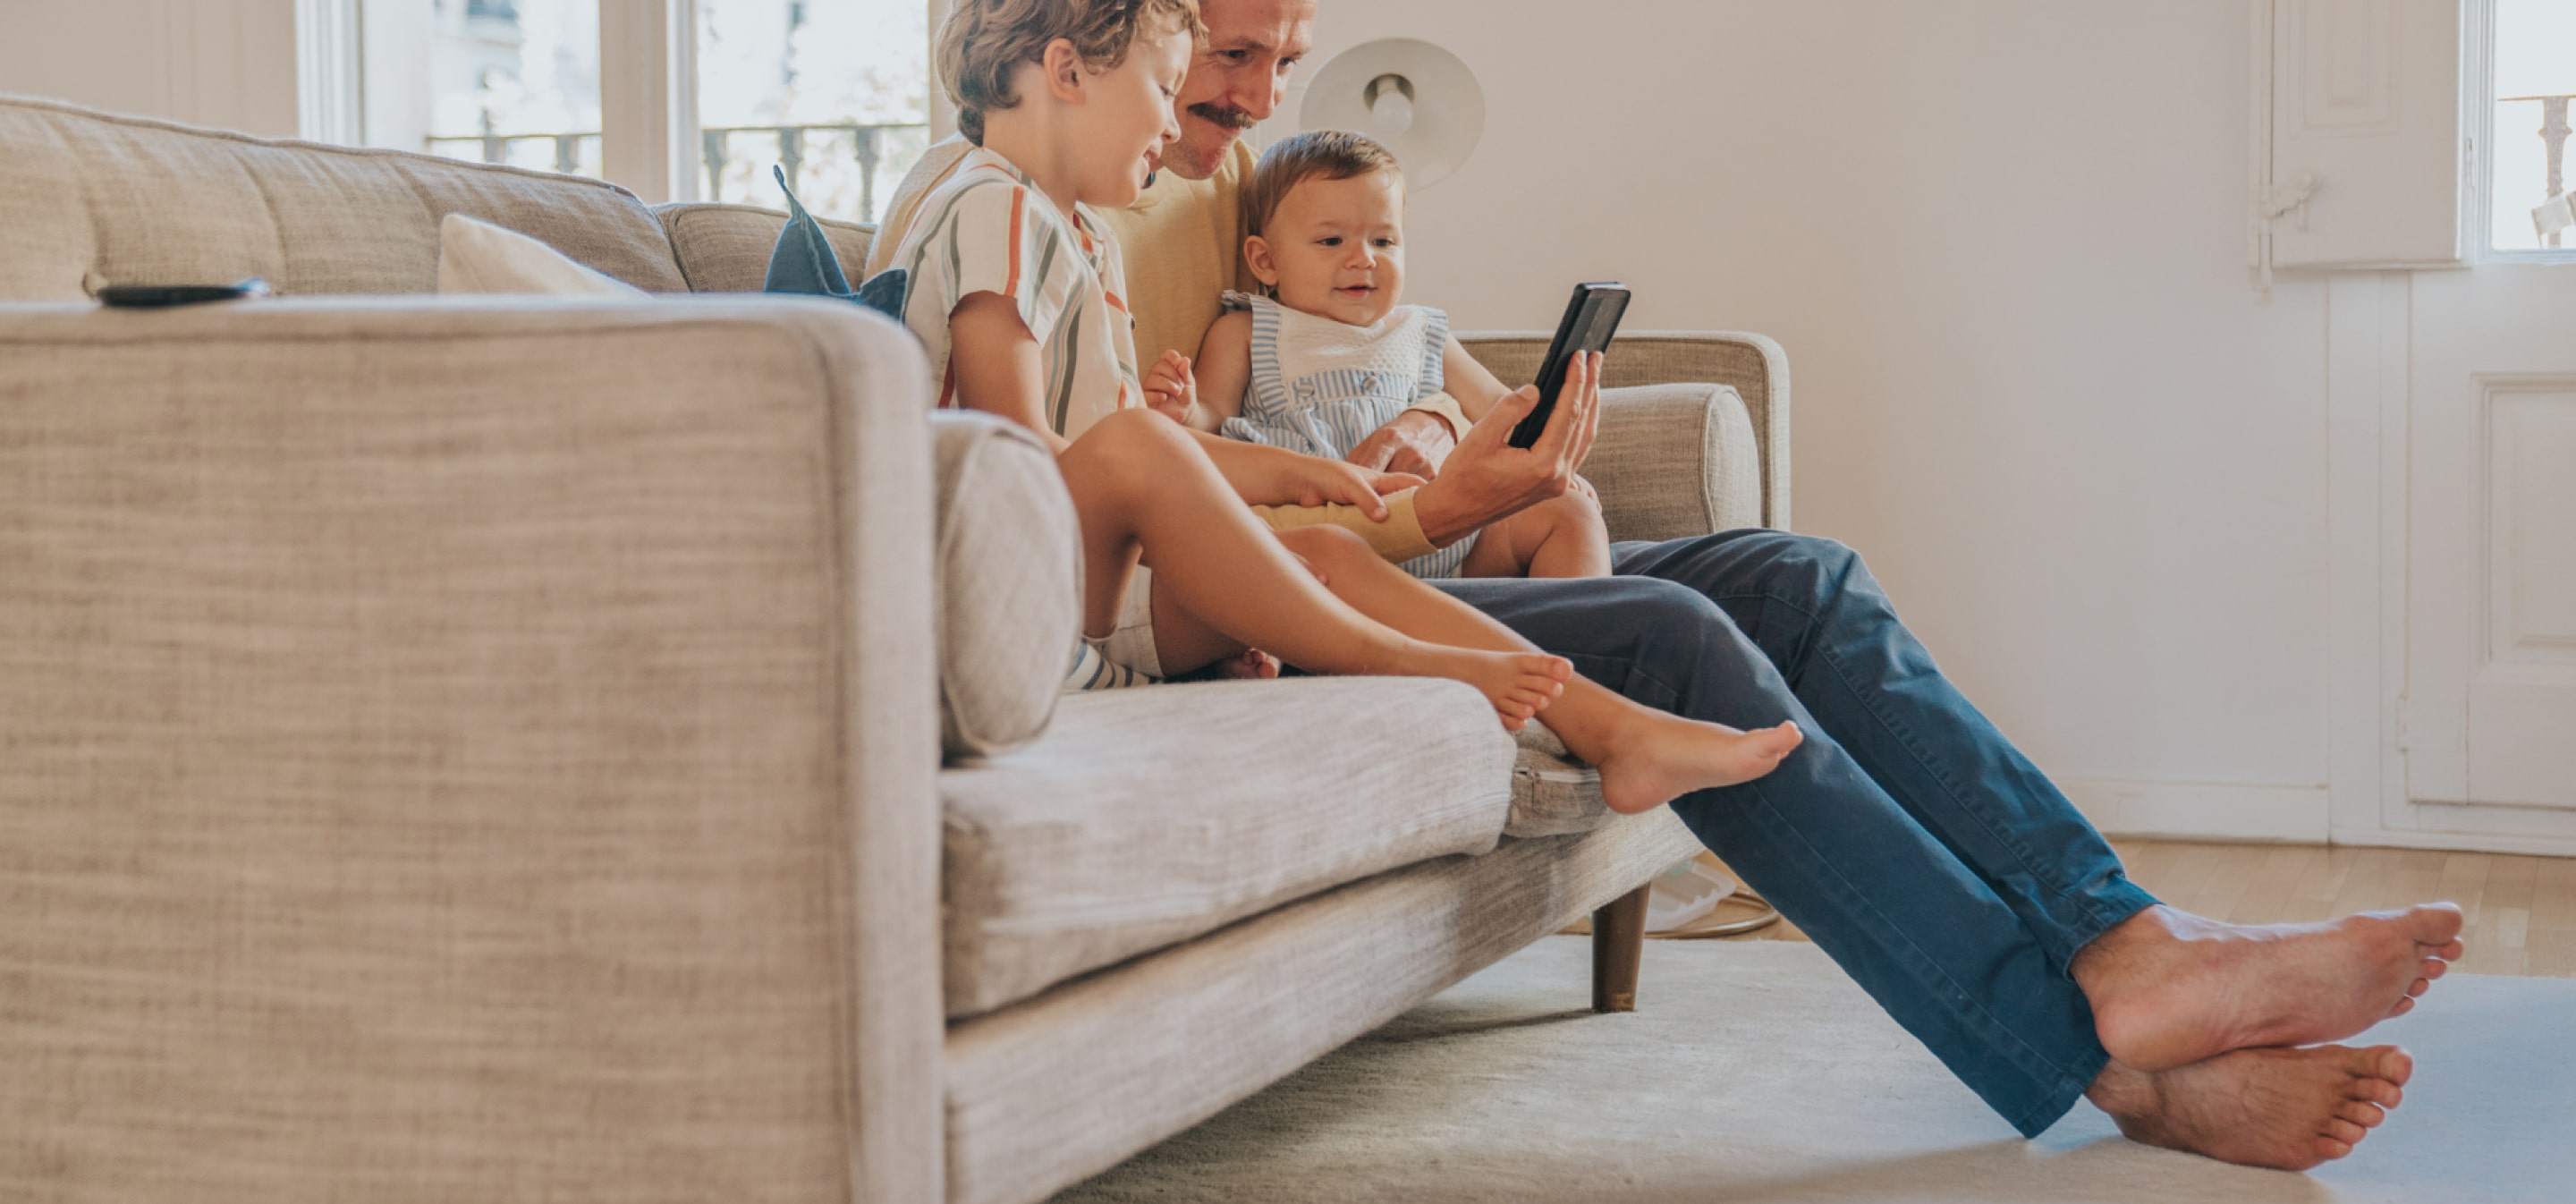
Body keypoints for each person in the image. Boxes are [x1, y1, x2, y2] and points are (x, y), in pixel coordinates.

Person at [873, 0, 2469, 1171]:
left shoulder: (1151, 200)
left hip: (1307, 560)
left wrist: (1452, 472)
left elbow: (1209, 461)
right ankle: (2105, 1068)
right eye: (1222, 59)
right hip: (1255, 602)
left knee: (1797, 574)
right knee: (1674, 634)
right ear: (1094, 49)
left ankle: (2123, 938)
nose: (1249, 93)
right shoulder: (1065, 206)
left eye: (1282, 60)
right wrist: (1428, 505)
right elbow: (1105, 503)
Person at [884, 0, 1803, 809]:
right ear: (1066, 71)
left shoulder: (1077, 232)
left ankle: (1613, 730)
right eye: (1167, 89)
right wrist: (1222, 498)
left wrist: (1310, 476)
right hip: (997, 589)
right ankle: (1415, 661)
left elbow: (1136, 457)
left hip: (1079, 580)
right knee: (1145, 445)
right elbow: (1017, 458)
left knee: (1321, 550)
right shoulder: (989, 206)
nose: (1172, 124)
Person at [1147, 130, 1611, 584]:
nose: (1364, 259)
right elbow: (1210, 423)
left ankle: (1578, 643)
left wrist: (1555, 448)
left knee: (1569, 511)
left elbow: (1501, 409)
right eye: (1332, 242)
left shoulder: (1422, 331)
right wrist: (1184, 408)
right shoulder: (1248, 331)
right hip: (1331, 551)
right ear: (1265, 261)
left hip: (1457, 543)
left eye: (1384, 241)